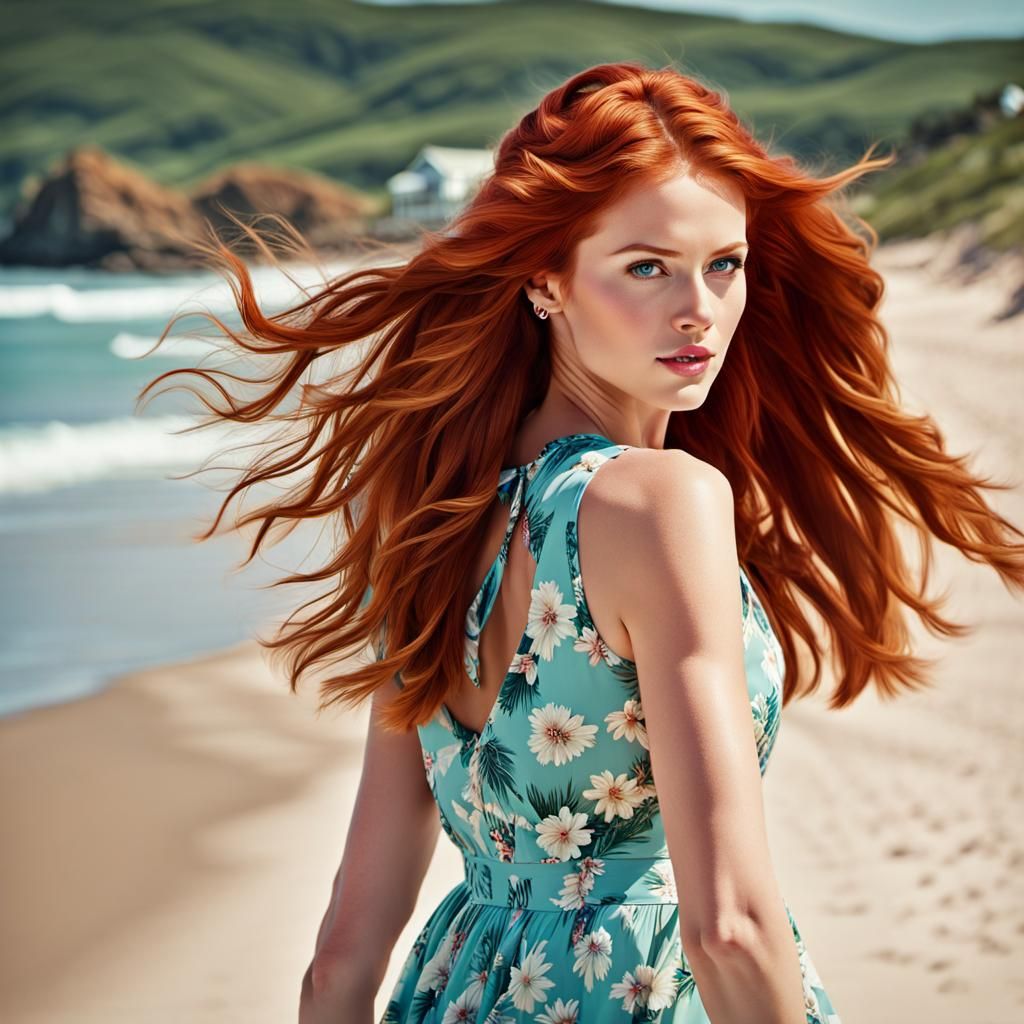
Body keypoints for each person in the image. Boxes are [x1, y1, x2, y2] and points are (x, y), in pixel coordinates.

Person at [140, 61, 1024, 1023]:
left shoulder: (431, 520)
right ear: (545, 278)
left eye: (724, 264)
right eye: (646, 267)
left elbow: (340, 961)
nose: (698, 309)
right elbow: (729, 928)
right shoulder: (661, 503)